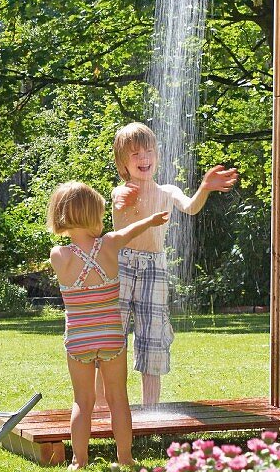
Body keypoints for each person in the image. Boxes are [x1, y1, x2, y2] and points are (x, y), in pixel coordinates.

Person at [101, 122, 238, 407]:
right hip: (121, 266)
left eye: (148, 151)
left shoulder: (167, 191)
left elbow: (190, 207)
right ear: (122, 162)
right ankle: (105, 408)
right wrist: (124, 201)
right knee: (112, 340)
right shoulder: (120, 191)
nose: (143, 158)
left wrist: (204, 188)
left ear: (157, 156)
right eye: (135, 153)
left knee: (153, 340)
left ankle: (150, 410)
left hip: (155, 268)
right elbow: (120, 207)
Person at [47, 180, 169, 467]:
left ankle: (79, 460)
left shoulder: (59, 256)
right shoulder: (110, 245)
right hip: (112, 336)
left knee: (82, 401)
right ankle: (125, 458)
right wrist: (150, 220)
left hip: (79, 339)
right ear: (91, 216)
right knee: (118, 399)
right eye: (100, 215)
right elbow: (128, 231)